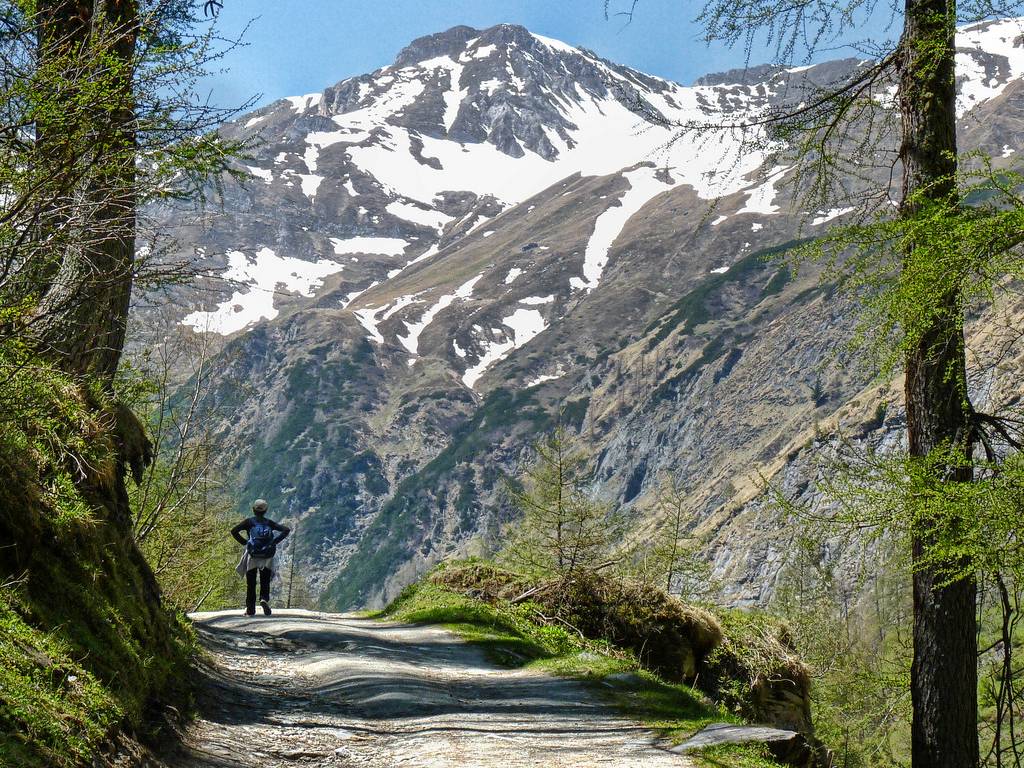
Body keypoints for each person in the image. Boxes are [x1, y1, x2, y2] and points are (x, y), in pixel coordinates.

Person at [231, 499, 290, 616]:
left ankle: (250, 609)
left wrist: (246, 543)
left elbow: (234, 531)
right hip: (267, 557)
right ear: (265, 510)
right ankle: (264, 599)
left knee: (251, 583)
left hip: (252, 556)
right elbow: (286, 530)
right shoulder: (269, 523)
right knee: (265, 581)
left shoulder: (249, 522)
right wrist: (274, 542)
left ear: (253, 509)